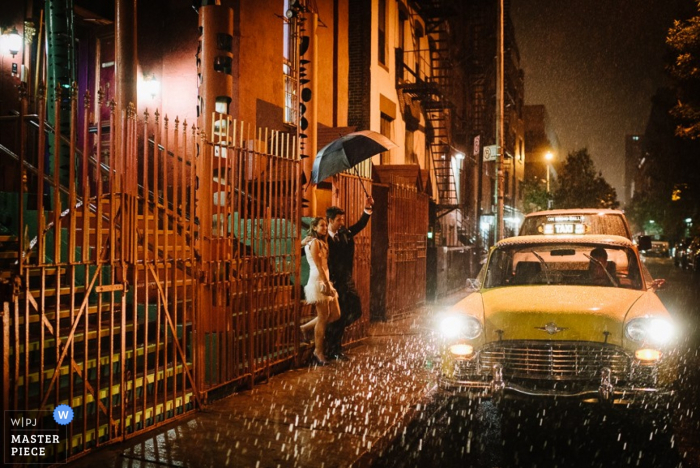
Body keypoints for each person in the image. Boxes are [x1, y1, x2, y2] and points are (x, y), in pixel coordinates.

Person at [324, 196, 374, 361]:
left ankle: (332, 335)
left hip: (346, 279)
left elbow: (360, 225)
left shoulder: (344, 233)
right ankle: (334, 349)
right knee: (337, 315)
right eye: (338, 220)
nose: (341, 222)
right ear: (330, 220)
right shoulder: (323, 238)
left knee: (355, 310)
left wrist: (367, 209)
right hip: (332, 282)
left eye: (342, 219)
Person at [300, 217, 341, 365]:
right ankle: (318, 352)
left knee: (335, 314)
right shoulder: (315, 243)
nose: (324, 227)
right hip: (319, 280)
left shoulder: (322, 242)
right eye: (321, 225)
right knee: (323, 317)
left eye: (325, 225)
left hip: (325, 278)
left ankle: (305, 328)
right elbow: (318, 266)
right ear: (315, 228)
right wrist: (327, 284)